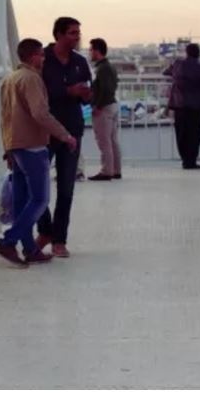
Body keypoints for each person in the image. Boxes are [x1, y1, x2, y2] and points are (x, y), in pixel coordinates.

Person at [0, 38, 78, 268]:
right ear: (33, 56)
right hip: (32, 145)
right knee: (40, 199)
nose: (44, 59)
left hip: (17, 145)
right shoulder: (32, 79)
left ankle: (30, 249)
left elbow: (5, 117)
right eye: (41, 55)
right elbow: (40, 114)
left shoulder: (10, 79)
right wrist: (65, 135)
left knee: (23, 201)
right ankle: (8, 242)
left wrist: (8, 147)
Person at [37, 17, 92, 258]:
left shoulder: (80, 62)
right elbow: (36, 93)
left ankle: (59, 240)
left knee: (66, 188)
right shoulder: (42, 60)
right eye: (71, 33)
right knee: (37, 185)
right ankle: (45, 230)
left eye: (78, 32)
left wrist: (86, 95)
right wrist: (67, 91)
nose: (77, 37)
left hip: (72, 129)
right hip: (45, 131)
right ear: (58, 34)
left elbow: (88, 92)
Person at [164, 43, 200, 169]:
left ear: (187, 52)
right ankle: (191, 160)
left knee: (181, 132)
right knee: (195, 134)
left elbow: (166, 72)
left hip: (180, 104)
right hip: (197, 105)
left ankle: (185, 159)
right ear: (198, 53)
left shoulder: (178, 65)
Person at [88, 37, 122, 181]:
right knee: (112, 140)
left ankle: (107, 170)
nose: (89, 53)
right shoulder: (109, 66)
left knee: (104, 141)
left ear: (96, 51)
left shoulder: (102, 68)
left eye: (90, 50)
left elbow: (105, 89)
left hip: (105, 107)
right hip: (112, 105)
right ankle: (115, 170)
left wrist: (98, 106)